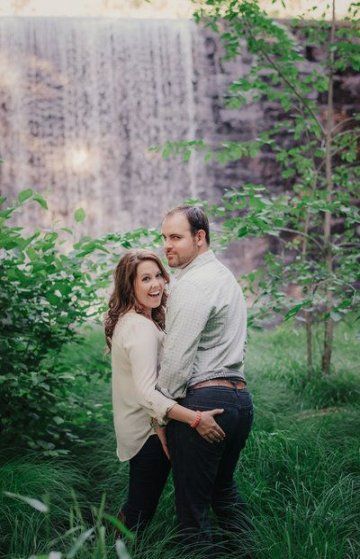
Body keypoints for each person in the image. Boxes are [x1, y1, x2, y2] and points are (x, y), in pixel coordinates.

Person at [104, 249, 225, 533]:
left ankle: (110, 542)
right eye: (145, 279)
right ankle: (114, 547)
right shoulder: (139, 328)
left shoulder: (138, 320)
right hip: (146, 432)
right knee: (140, 511)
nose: (156, 284)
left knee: (139, 503)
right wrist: (195, 419)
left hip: (148, 424)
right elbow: (147, 392)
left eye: (158, 275)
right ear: (128, 285)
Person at [156, 206, 253, 551]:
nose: (167, 246)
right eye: (164, 238)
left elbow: (176, 361)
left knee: (192, 513)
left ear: (200, 237)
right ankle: (250, 551)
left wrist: (162, 412)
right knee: (222, 493)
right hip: (240, 400)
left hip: (205, 402)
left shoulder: (193, 283)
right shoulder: (226, 277)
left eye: (176, 237)